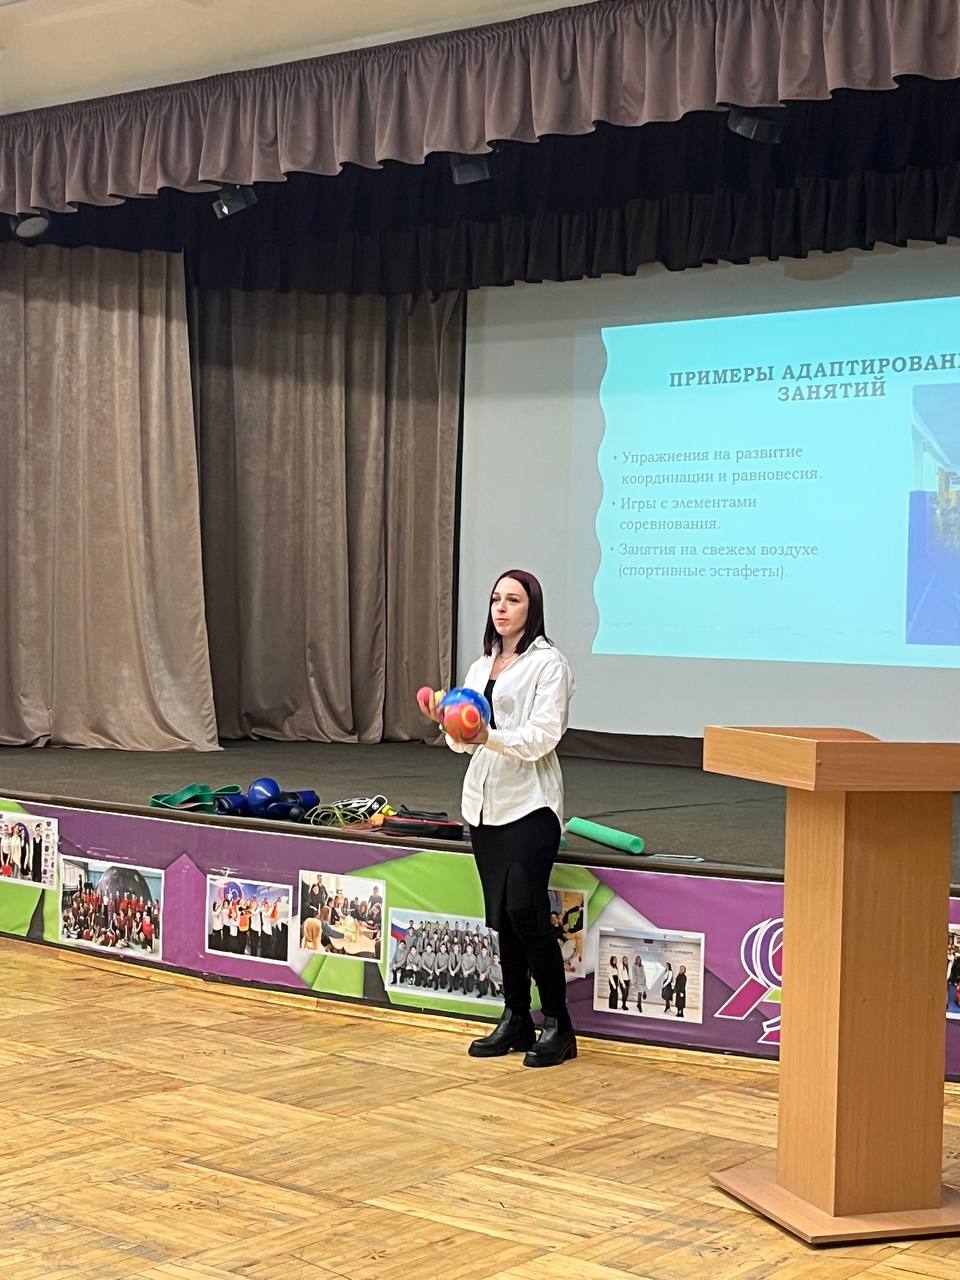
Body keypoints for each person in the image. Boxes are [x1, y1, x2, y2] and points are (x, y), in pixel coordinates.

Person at [420, 569, 575, 1067]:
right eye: (495, 599)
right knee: (503, 918)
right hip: (484, 806)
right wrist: (447, 722)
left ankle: (559, 1024)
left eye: (513, 600)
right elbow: (464, 745)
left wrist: (487, 735)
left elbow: (543, 736)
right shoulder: (479, 666)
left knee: (526, 912)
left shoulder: (549, 664)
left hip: (530, 805)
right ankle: (516, 1018)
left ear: (532, 608)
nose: (501, 608)